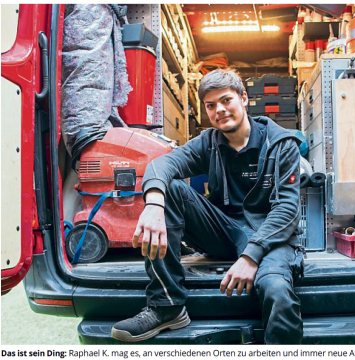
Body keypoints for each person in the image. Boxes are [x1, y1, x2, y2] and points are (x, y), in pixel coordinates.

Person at [111, 69, 304, 344]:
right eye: (211, 105)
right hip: (224, 231)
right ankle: (167, 306)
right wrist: (154, 202)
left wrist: (250, 257)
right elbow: (162, 164)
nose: (220, 110)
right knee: (172, 189)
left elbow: (287, 209)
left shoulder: (281, 144)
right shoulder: (209, 143)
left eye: (226, 100)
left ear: (244, 98)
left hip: (270, 236)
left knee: (276, 290)